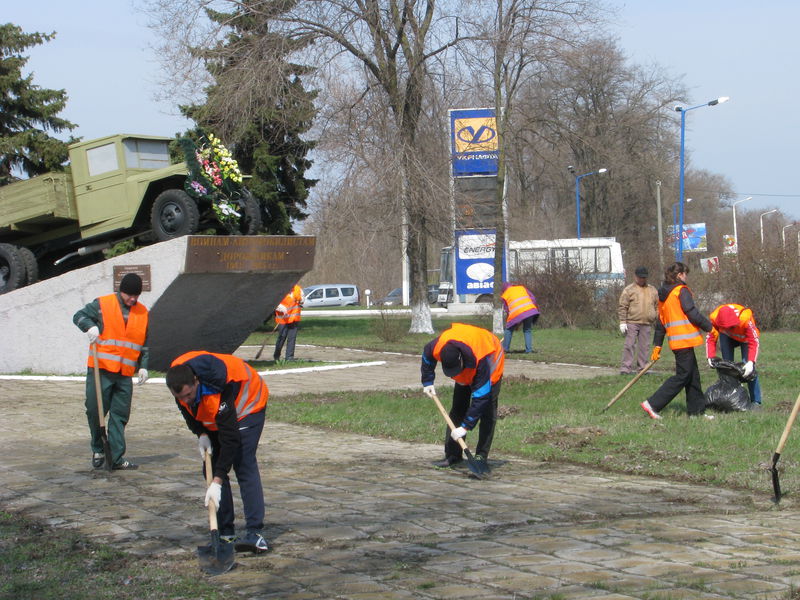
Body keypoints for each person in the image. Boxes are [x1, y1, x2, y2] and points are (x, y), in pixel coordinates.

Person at [166, 351, 269, 553]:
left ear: (196, 381)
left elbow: (230, 440)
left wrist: (218, 481)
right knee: (210, 468)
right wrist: (201, 433)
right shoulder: (180, 382)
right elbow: (188, 411)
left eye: (188, 395)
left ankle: (255, 533)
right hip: (220, 414)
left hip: (248, 405)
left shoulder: (220, 385)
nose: (185, 400)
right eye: (180, 397)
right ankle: (225, 532)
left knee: (242, 463)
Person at [73, 273, 149, 470]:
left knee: (120, 415)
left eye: (136, 296)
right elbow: (78, 316)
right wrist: (89, 326)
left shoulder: (142, 312)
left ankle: (115, 458)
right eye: (129, 295)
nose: (133, 299)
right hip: (102, 370)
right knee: (95, 410)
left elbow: (144, 343)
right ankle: (98, 448)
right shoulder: (102, 304)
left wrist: (143, 366)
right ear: (120, 291)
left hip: (125, 373)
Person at [421, 323, 504, 468]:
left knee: (487, 411)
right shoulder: (438, 346)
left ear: (462, 360)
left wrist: (465, 427)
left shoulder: (483, 360)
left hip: (490, 359)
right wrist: (428, 381)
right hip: (468, 362)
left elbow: (481, 398)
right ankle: (453, 455)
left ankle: (481, 457)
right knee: (458, 409)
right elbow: (427, 356)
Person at [641, 262, 713, 420]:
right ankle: (652, 404)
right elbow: (691, 312)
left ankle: (696, 412)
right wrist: (710, 327)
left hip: (678, 342)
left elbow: (661, 322)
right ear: (679, 275)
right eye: (685, 273)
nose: (686, 277)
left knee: (693, 376)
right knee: (683, 376)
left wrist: (657, 345)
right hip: (684, 340)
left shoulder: (664, 295)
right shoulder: (681, 290)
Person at [706, 303, 762, 405]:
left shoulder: (745, 320)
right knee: (727, 365)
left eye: (730, 327)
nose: (729, 329)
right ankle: (731, 397)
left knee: (749, 369)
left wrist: (751, 362)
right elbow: (711, 337)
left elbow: (754, 341)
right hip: (726, 337)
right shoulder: (715, 318)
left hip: (745, 339)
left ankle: (756, 401)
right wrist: (710, 356)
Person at [617, 266, 658, 374]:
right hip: (632, 322)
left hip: (647, 323)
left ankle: (642, 368)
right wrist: (622, 322)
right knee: (629, 345)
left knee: (644, 347)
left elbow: (657, 306)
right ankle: (626, 368)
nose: (642, 280)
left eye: (644, 278)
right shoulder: (629, 290)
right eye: (640, 277)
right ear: (635, 277)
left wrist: (656, 317)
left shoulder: (652, 290)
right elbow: (623, 306)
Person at [500, 282, 540, 353]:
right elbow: (533, 298)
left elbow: (508, 310)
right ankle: (529, 350)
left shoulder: (505, 295)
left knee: (508, 329)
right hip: (530, 310)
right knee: (527, 330)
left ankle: (505, 349)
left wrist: (513, 322)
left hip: (517, 313)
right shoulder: (521, 288)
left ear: (504, 290)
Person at [274, 284, 304, 362]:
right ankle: (277, 355)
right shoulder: (280, 290)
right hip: (282, 320)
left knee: (292, 338)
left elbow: (302, 300)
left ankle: (289, 357)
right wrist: (281, 308)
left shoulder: (298, 289)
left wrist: (301, 300)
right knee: (282, 337)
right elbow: (274, 303)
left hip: (294, 319)